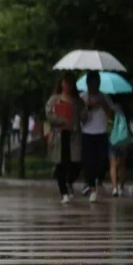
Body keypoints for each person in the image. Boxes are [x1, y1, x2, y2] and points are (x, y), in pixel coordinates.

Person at [45, 74, 83, 204]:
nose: (68, 86)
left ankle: (69, 181)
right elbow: (49, 115)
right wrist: (62, 120)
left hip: (73, 136)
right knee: (61, 164)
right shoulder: (54, 100)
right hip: (59, 136)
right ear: (61, 83)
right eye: (66, 82)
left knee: (76, 164)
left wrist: (85, 109)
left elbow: (84, 117)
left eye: (70, 83)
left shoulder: (77, 101)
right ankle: (64, 193)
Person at [80, 71, 114, 203]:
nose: (94, 86)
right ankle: (92, 188)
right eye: (92, 84)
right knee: (89, 163)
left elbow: (112, 115)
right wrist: (88, 107)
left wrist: (103, 105)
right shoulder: (82, 98)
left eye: (96, 83)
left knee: (102, 162)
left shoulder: (105, 97)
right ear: (88, 84)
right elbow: (80, 118)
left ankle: (97, 181)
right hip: (87, 134)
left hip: (101, 133)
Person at [108, 94, 133, 198]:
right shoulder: (126, 109)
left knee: (113, 165)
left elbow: (108, 122)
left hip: (113, 139)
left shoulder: (110, 108)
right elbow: (132, 124)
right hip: (124, 140)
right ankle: (121, 188)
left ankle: (114, 188)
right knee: (122, 165)